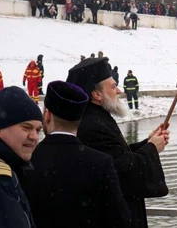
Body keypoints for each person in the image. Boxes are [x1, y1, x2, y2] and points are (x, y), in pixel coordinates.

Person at [66, 57, 169, 228]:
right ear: (97, 94)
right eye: (113, 86)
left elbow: (119, 155)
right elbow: (122, 172)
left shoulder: (96, 117)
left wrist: (148, 143)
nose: (119, 91)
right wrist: (151, 149)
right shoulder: (93, 125)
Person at [20, 81, 131, 228]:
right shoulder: (101, 163)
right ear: (79, 120)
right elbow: (122, 220)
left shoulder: (24, 161)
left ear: (47, 115)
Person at [0, 86, 43, 228]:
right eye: (26, 127)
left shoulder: (16, 168)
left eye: (38, 130)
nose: (34, 137)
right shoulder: (2, 179)